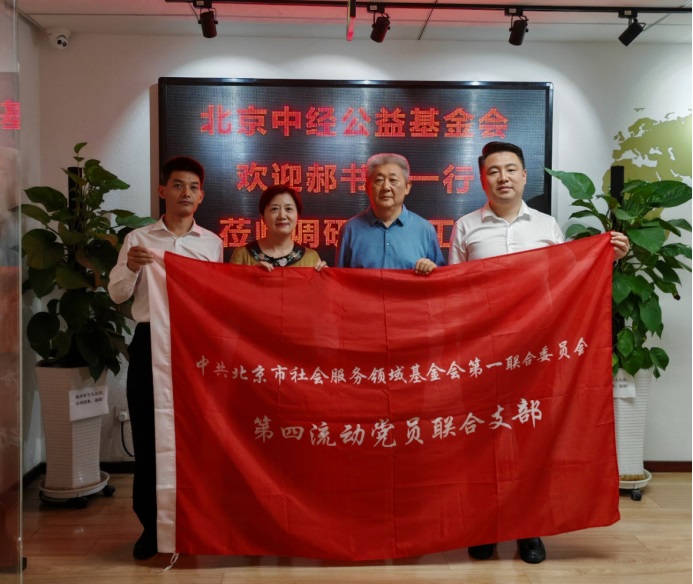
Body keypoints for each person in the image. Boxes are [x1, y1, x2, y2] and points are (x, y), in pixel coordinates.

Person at [449, 141, 629, 565]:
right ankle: (484, 527)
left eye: (511, 169)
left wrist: (607, 258)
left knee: (530, 440)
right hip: (483, 353)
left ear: (525, 176)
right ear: (482, 179)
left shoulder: (547, 227)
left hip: (534, 354)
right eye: (494, 171)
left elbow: (570, 278)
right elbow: (453, 292)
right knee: (482, 439)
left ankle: (528, 528)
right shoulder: (465, 227)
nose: (503, 177)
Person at [108, 156, 223, 560]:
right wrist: (132, 268)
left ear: (201, 196)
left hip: (195, 346)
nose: (185, 193)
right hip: (150, 341)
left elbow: (218, 300)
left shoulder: (212, 243)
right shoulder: (138, 240)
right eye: (177, 185)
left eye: (193, 187)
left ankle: (193, 523)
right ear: (162, 191)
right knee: (147, 434)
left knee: (195, 436)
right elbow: (117, 294)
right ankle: (151, 528)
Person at [335, 153, 445, 275]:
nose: (386, 187)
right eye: (379, 180)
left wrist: (431, 269)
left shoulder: (425, 230)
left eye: (393, 180)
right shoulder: (350, 230)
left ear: (407, 187)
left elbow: (441, 278)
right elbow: (339, 281)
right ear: (367, 188)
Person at [230, 184, 326, 271]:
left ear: (297, 216)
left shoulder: (311, 259)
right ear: (262, 217)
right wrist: (249, 276)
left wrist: (325, 277)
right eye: (274, 209)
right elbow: (230, 284)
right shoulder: (242, 255)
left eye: (289, 209)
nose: (282, 216)